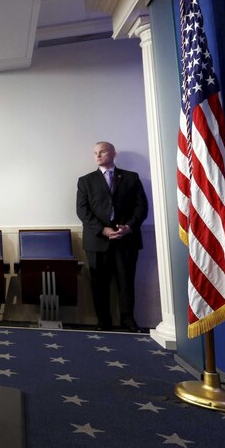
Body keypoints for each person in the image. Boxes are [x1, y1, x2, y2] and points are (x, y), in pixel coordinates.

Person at [76, 141, 148, 333]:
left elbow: (141, 207)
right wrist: (103, 230)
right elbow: (83, 212)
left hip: (126, 240)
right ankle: (103, 322)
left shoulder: (131, 178)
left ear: (113, 154)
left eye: (102, 151)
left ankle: (128, 321)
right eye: (95, 153)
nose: (98, 155)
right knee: (99, 284)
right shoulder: (86, 181)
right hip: (97, 241)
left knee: (126, 283)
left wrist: (129, 227)